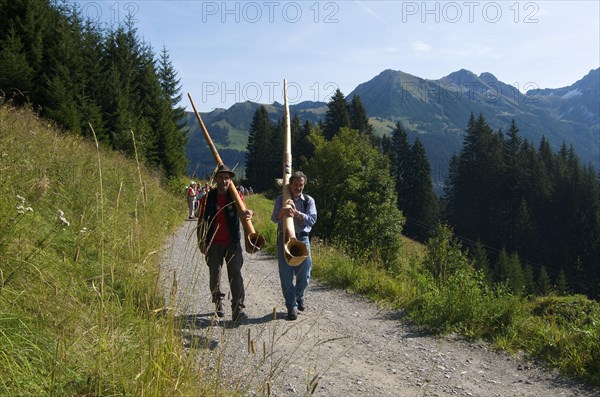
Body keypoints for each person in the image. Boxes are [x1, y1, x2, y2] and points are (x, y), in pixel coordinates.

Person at [197, 164, 253, 322]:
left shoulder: (235, 196)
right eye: (221, 177)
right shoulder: (208, 197)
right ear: (216, 179)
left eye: (227, 178)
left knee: (236, 275)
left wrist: (250, 213)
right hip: (213, 243)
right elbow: (201, 220)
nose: (223, 180)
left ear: (231, 180)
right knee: (214, 274)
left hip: (232, 243)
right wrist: (200, 240)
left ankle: (237, 309)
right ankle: (217, 302)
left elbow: (245, 212)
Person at [271, 171, 317, 320]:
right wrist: (282, 212)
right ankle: (292, 306)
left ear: (304, 185)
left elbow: (312, 220)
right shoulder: (281, 199)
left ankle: (299, 296)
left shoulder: (308, 200)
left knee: (304, 273)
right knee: (286, 276)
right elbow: (274, 218)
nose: (298, 187)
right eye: (295, 184)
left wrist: (297, 213)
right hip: (284, 239)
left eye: (301, 185)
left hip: (302, 239)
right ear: (290, 185)